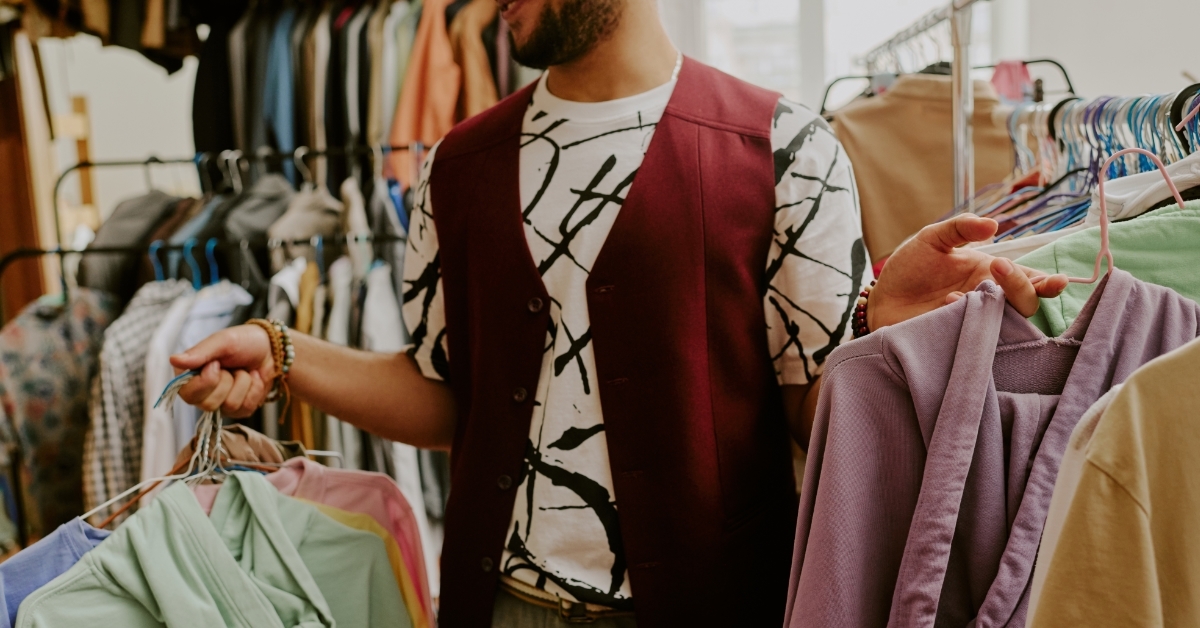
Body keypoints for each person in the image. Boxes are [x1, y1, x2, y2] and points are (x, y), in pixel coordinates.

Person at [172, 0, 1069, 625]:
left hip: (721, 604)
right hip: (500, 604)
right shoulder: (457, 166)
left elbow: (814, 411)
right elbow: (451, 401)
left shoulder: (788, 148)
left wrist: (887, 328)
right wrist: (283, 351)